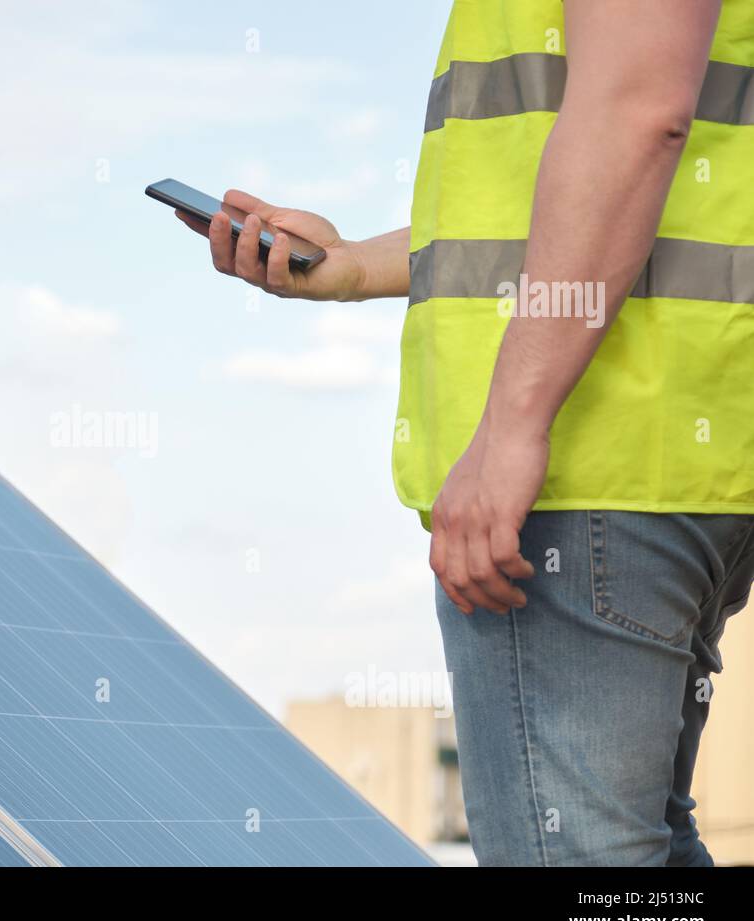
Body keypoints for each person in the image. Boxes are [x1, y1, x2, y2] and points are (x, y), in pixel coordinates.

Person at [177, 0, 749, 865]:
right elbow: (580, 183)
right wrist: (352, 266)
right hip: (669, 447)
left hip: (591, 459)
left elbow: (635, 119)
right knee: (639, 864)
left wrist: (514, 425)